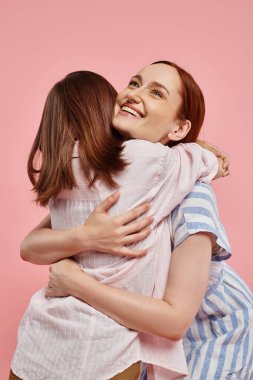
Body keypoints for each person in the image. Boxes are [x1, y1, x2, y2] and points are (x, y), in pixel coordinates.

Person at [23, 62, 253, 379]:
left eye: (156, 92)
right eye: (134, 83)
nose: (134, 94)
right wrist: (86, 236)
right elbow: (31, 246)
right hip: (142, 326)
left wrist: (75, 282)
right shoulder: (112, 177)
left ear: (178, 129)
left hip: (214, 331)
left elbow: (174, 322)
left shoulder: (193, 198)